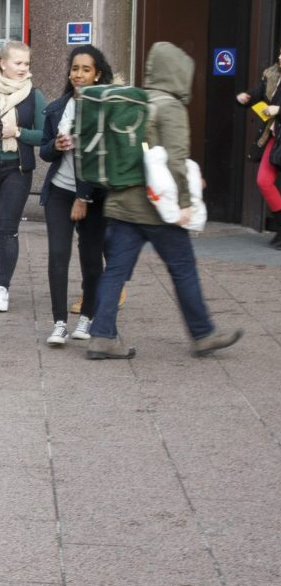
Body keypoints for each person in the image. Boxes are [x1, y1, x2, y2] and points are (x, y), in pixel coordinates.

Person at [85, 42, 243, 360]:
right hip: (156, 209)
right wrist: (184, 201)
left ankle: (101, 336)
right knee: (183, 267)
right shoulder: (170, 106)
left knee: (115, 271)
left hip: (122, 202)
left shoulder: (137, 100)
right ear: (178, 73)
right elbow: (175, 158)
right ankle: (202, 334)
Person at [38, 45, 113, 346]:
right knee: (58, 254)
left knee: (91, 256)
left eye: (86, 70)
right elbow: (44, 152)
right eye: (75, 69)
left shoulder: (106, 108)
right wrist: (56, 145)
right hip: (59, 190)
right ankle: (59, 323)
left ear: (97, 75)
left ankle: (88, 315)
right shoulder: (57, 108)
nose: (79, 75)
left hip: (94, 194)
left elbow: (103, 158)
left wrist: (84, 196)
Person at [0, 41, 44, 313]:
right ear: (2, 63)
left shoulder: (34, 95)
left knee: (8, 229)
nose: (23, 69)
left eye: (26, 64)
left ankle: (2, 287)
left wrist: (17, 132)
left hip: (17, 169)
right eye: (18, 63)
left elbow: (44, 136)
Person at [235, 46, 281, 248]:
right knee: (264, 180)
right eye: (280, 52)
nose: (280, 57)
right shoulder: (272, 74)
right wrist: (246, 97)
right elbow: (258, 93)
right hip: (274, 136)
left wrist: (279, 109)